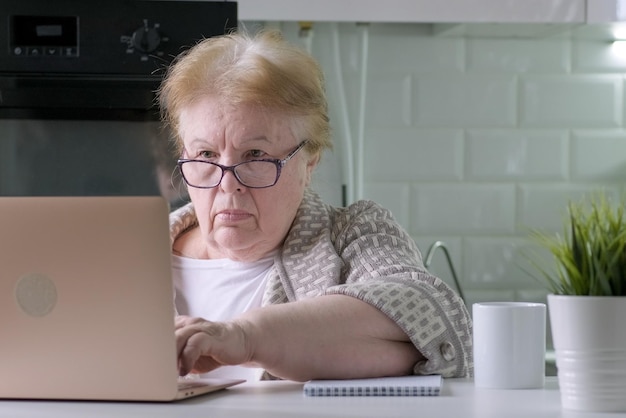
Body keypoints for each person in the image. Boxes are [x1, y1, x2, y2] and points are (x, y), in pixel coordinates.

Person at [158, 29, 472, 382]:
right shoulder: (129, 249)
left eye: (256, 155)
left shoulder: (352, 235)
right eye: (206, 154)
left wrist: (246, 338)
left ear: (309, 160)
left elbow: (432, 316)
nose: (228, 182)